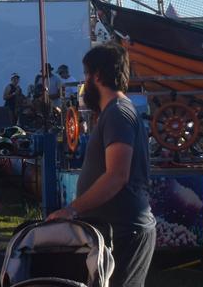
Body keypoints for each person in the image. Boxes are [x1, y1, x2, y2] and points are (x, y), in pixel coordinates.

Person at [48, 44, 155, 287]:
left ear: (97, 75)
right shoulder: (114, 112)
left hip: (125, 232)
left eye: (86, 74)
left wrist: (72, 209)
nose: (84, 82)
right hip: (114, 231)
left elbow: (117, 175)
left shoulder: (118, 113)